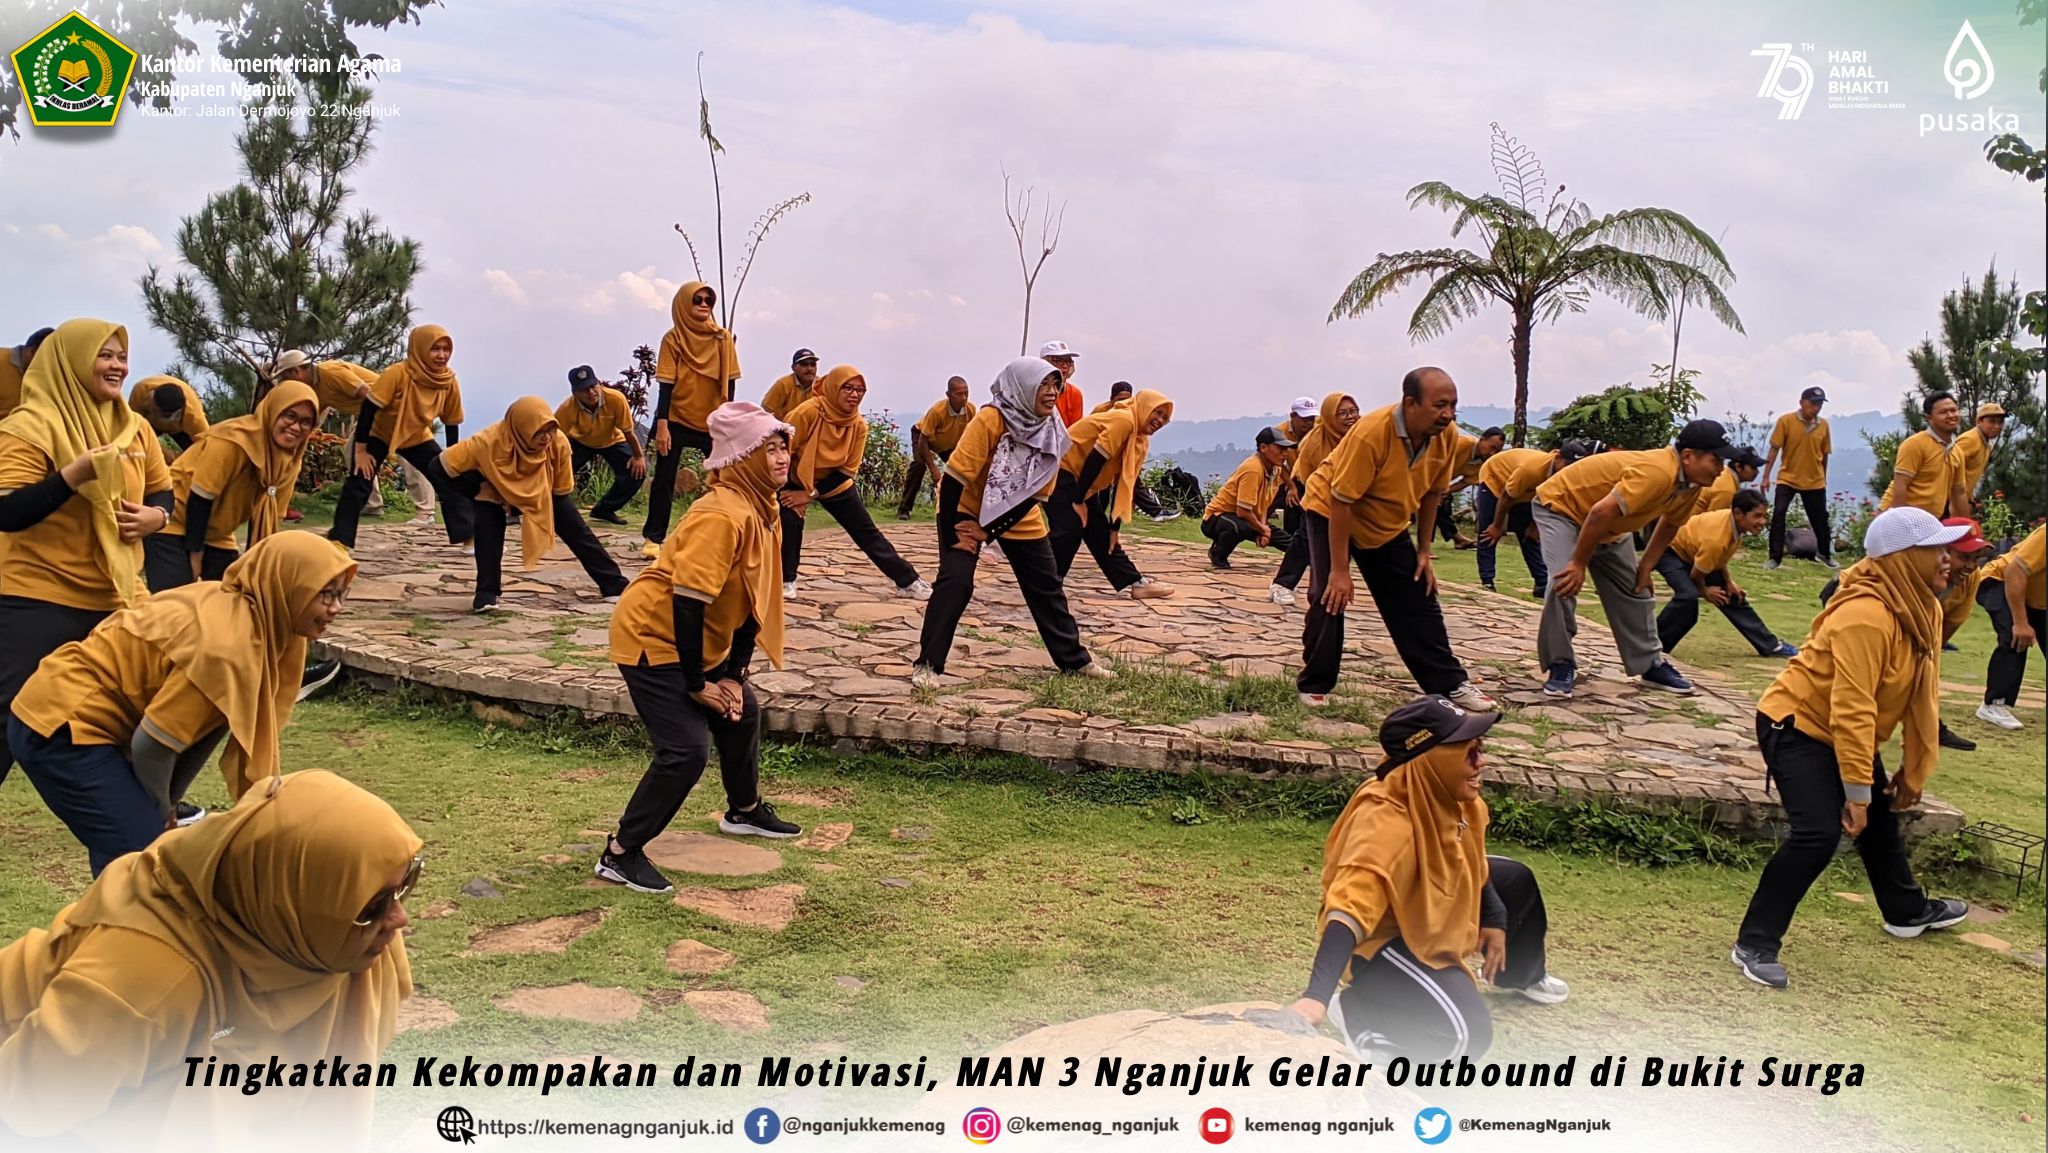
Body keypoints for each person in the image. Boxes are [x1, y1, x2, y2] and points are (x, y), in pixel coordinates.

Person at [0, 770, 418, 1149]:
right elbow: (27, 1107)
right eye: (374, 904)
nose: (398, 918)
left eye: (406, 882)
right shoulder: (145, 981)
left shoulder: (343, 939)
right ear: (286, 905)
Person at [9, 532, 355, 874]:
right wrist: (160, 812)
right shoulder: (227, 645)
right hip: (61, 723)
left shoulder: (258, 622)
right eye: (325, 594)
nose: (336, 607)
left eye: (341, 593)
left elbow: (203, 728)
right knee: (142, 862)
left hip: (83, 720)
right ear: (287, 585)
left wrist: (169, 804)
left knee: (138, 854)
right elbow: (152, 745)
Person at [1731, 508, 1973, 989]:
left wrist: (1912, 769)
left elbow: (1919, 693)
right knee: (1819, 834)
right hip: (1796, 724)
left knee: (1879, 821)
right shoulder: (1865, 615)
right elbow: (1853, 709)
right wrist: (1857, 793)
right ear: (1904, 558)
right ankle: (1754, 943)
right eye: (1937, 550)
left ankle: (1906, 912)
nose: (1949, 559)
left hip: (1840, 728)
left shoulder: (1920, 605)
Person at [1290, 696, 1567, 1063]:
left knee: (1515, 879)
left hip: (1427, 897)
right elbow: (1349, 910)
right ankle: (1359, 1011)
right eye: (1467, 752)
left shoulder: (1459, 799)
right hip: (1383, 939)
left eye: (1479, 748)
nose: (1480, 762)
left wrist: (1495, 916)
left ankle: (1520, 974)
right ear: (1431, 761)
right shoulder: (1386, 822)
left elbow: (1471, 859)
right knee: (1467, 1036)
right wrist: (1316, 996)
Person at [601, 403, 802, 894]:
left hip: (695, 638)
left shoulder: (760, 507)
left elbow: (754, 597)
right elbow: (688, 604)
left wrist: (733, 675)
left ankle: (745, 810)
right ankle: (621, 853)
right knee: (686, 750)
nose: (780, 459)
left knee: (742, 709)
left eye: (782, 448)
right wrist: (696, 684)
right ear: (743, 458)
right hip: (653, 637)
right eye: (767, 450)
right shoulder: (721, 514)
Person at [0, 319, 172, 788]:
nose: (117, 366)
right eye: (104, 355)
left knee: (136, 708)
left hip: (119, 596)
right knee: (9, 716)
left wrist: (155, 519)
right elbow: (8, 511)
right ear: (71, 360)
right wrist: (71, 478)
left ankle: (144, 819)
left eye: (121, 356)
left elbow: (163, 492)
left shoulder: (134, 429)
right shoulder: (30, 426)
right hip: (39, 597)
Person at [1297, 368, 1496, 712]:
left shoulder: (1446, 436)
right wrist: (1340, 571)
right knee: (1329, 595)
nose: (1447, 414)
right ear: (1411, 403)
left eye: (1453, 406)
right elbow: (1342, 500)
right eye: (1439, 405)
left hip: (1385, 523)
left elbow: (1434, 493)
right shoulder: (1373, 432)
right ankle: (1315, 682)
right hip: (1331, 509)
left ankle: (1449, 683)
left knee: (1418, 593)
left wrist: (1423, 551)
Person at [913, 358, 1110, 684]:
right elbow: (954, 480)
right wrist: (952, 534)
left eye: (1054, 385)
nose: (1051, 393)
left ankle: (1075, 661)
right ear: (1022, 387)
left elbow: (1036, 495)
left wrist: (988, 532)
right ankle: (928, 665)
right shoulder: (991, 419)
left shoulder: (1052, 429)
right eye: (1043, 385)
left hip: (1019, 511)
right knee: (956, 581)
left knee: (1046, 586)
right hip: (965, 507)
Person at [1532, 419, 1732, 698]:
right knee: (1563, 583)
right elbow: (1600, 513)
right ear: (1688, 456)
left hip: (1610, 526)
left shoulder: (1691, 483)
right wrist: (1578, 563)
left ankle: (1650, 665)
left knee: (1636, 589)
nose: (1721, 469)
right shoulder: (1658, 472)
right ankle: (1560, 663)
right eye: (1716, 459)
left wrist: (1646, 568)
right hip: (1563, 508)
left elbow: (1670, 524)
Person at [431, 397, 628, 614]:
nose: (546, 438)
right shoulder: (487, 442)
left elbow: (561, 489)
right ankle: (486, 593)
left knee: (578, 531)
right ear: (522, 429)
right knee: (488, 535)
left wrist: (544, 506)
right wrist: (473, 492)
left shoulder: (559, 442)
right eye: (538, 432)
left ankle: (613, 584)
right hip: (494, 489)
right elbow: (439, 467)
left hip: (542, 488)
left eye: (550, 430)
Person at [1817, 517, 1991, 750]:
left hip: (1907, 623)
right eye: (1964, 557)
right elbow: (1853, 586)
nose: (1971, 566)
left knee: (1917, 674)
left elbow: (1944, 630)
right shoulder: (1905, 573)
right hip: (1849, 601)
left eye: (1976, 559)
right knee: (1857, 674)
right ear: (1941, 552)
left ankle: (1929, 728)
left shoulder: (1970, 579)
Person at [146, 381, 319, 593]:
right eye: (289, 416)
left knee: (238, 597)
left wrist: (260, 565)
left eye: (305, 422)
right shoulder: (233, 440)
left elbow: (273, 515)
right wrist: (195, 559)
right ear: (273, 411)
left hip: (218, 532)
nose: (296, 427)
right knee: (174, 601)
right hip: (176, 517)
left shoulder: (290, 459)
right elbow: (200, 499)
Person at [780, 366, 931, 601]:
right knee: (790, 523)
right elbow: (783, 452)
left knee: (867, 533)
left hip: (834, 484)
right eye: (848, 388)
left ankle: (908, 580)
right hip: (795, 477)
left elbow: (846, 471)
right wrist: (795, 490)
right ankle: (785, 580)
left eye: (860, 390)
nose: (854, 395)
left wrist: (810, 494)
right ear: (833, 387)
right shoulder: (807, 413)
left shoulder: (858, 424)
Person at [325, 325, 471, 552]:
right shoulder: (398, 373)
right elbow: (369, 409)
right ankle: (340, 541)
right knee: (359, 482)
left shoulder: (448, 381)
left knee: (449, 479)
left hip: (415, 435)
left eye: (446, 349)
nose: (442, 355)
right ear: (420, 348)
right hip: (379, 432)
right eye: (435, 349)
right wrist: (361, 451)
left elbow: (451, 420)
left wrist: (452, 458)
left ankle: (470, 537)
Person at [1048, 387, 1175, 600]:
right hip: (1060, 471)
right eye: (1158, 412)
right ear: (1145, 407)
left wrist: (1114, 527)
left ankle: (1136, 583)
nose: (1160, 420)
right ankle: (1046, 583)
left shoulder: (1140, 439)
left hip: (1083, 483)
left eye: (1165, 418)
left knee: (1103, 536)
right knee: (1069, 529)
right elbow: (1096, 458)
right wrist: (1078, 500)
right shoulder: (1123, 420)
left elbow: (1125, 485)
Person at [643, 281, 739, 555]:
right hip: (676, 417)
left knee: (723, 478)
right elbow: (665, 384)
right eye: (697, 300)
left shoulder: (723, 339)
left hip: (712, 420)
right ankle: (654, 537)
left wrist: (727, 420)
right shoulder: (672, 339)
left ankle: (720, 533)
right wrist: (662, 426)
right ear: (684, 303)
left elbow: (730, 383)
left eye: (709, 300)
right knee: (664, 478)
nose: (704, 305)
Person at [1654, 489, 1797, 658]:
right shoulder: (1716, 539)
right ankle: (1651, 645)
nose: (1762, 522)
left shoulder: (1735, 525)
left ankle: (1770, 646)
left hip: (1694, 555)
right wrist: (1705, 591)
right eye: (1757, 516)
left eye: (1763, 516)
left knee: (1733, 595)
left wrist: (1728, 582)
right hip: (1669, 552)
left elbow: (1718, 559)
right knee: (1688, 598)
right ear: (1738, 513)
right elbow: (1696, 575)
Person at [267, 350, 396, 521]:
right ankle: (372, 505)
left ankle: (426, 511)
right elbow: (313, 419)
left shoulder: (330, 372)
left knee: (409, 455)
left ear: (296, 371)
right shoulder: (315, 388)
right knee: (352, 451)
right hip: (373, 417)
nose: (286, 383)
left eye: (286, 377)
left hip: (392, 408)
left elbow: (369, 394)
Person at [1474, 440, 1597, 597]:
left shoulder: (1568, 476)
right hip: (1496, 480)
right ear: (1558, 457)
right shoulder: (1531, 469)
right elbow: (1506, 496)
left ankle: (1541, 584)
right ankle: (1487, 581)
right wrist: (1497, 526)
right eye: (1567, 467)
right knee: (1488, 533)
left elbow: (1547, 501)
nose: (1570, 472)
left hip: (1526, 493)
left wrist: (1534, 526)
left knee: (1530, 536)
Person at [1270, 392, 1359, 606]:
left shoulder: (1361, 434)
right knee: (1307, 536)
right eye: (1343, 413)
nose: (1350, 417)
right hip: (1313, 485)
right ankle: (1283, 584)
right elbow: (1307, 474)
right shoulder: (1313, 443)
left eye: (1353, 412)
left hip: (1348, 490)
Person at [1974, 523, 2044, 732]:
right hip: (1999, 580)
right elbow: (2015, 571)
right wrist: (2021, 623)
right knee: (2014, 636)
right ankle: (1993, 705)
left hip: (2036, 599)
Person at [556, 364, 646, 526]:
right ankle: (536, 508)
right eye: (584, 390)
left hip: (612, 440)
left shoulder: (616, 399)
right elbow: (557, 438)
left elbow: (628, 432)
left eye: (593, 386)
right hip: (581, 441)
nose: (591, 392)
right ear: (575, 393)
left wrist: (638, 456)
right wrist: (557, 461)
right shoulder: (566, 409)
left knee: (635, 472)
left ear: (599, 384)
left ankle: (604, 509)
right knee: (555, 473)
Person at [1761, 386, 1836, 570]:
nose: (1816, 408)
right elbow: (1774, 449)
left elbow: (1825, 454)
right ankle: (1774, 557)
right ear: (1802, 402)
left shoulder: (1824, 425)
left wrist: (1823, 478)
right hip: (1788, 478)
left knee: (1820, 520)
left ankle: (1825, 554)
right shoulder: (1786, 421)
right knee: (1778, 514)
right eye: (1813, 403)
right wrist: (1766, 476)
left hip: (1814, 481)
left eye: (1819, 404)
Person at [1203, 426, 1295, 569]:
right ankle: (1218, 553)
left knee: (1289, 542)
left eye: (1286, 449)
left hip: (1248, 519)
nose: (1284, 454)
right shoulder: (1253, 469)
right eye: (1280, 449)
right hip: (1217, 518)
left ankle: (1310, 560)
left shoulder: (1275, 469)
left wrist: (1264, 529)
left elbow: (1264, 504)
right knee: (1239, 527)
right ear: (1263, 448)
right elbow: (1243, 511)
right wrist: (1262, 529)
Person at [1090, 381, 1180, 522]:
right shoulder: (1103, 411)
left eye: (1128, 399)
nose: (1125, 403)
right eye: (1120, 400)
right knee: (1102, 493)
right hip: (1102, 454)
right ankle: (1096, 521)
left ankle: (1154, 511)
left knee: (1130, 482)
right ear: (1111, 399)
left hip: (1121, 456)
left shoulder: (1134, 416)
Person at [898, 376, 974, 519]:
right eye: (959, 394)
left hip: (946, 444)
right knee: (919, 466)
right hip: (923, 437)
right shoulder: (938, 411)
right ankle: (904, 509)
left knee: (961, 472)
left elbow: (970, 436)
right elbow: (923, 441)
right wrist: (934, 469)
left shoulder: (970, 410)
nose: (963, 398)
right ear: (948, 395)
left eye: (966, 393)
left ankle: (960, 510)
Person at [1880, 393, 1965, 518]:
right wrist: (1900, 521)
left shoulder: (1956, 451)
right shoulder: (1915, 444)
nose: (1951, 416)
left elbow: (1959, 493)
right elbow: (1901, 485)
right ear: (1929, 417)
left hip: (1928, 521)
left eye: (1953, 410)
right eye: (1943, 412)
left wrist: (1967, 526)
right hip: (1895, 516)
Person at [1435, 426, 1504, 550]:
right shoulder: (1462, 444)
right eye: (1492, 447)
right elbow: (1436, 462)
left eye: (1497, 451)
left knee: (1442, 504)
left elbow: (1465, 482)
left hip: (1440, 484)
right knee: (1433, 504)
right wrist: (1436, 491)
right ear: (1482, 439)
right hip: (1424, 476)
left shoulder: (1483, 463)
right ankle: (1426, 547)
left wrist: (1445, 492)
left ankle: (1458, 539)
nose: (1492, 453)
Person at [127, 374, 209, 457]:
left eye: (150, 411)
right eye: (147, 408)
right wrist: (162, 452)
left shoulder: (194, 417)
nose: (146, 404)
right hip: (145, 423)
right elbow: (130, 431)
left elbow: (207, 449)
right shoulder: (140, 392)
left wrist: (178, 459)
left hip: (179, 427)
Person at [1949, 401, 2006, 514]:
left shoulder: (1986, 445)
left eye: (2000, 422)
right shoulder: (1970, 440)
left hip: (1962, 502)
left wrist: (1969, 496)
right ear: (1979, 421)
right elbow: (1947, 468)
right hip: (1950, 503)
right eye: (1992, 422)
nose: (1997, 426)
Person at [0, 326, 52, 420]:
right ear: (32, 351)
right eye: (44, 358)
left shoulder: (44, 378)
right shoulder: (2, 359)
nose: (46, 364)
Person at [1694, 445, 1763, 515]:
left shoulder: (1725, 473)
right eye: (1753, 467)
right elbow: (1714, 520)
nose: (1757, 472)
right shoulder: (1727, 490)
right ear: (1738, 466)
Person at [761, 348, 819, 420]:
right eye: (804, 364)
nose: (810, 368)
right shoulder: (783, 384)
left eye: (813, 364)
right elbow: (766, 411)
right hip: (784, 428)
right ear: (793, 368)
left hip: (812, 429)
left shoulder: (822, 386)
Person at [1038, 340, 1085, 427]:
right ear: (1044, 363)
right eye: (1059, 360)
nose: (1065, 366)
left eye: (1068, 361)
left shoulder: (1074, 393)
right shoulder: (1032, 389)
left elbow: (1074, 431)